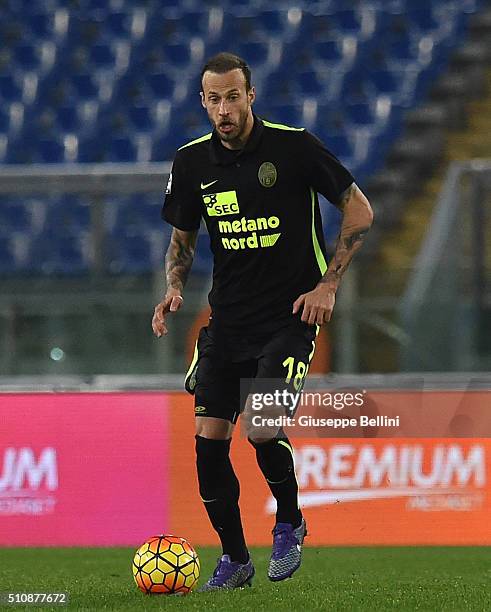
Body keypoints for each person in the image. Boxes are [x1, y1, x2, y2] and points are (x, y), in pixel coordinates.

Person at [152, 52, 373, 591]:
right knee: (208, 440)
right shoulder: (191, 163)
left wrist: (328, 286)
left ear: (251, 96)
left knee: (263, 425)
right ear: (202, 102)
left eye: (233, 96)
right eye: (213, 99)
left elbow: (360, 210)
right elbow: (182, 239)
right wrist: (174, 287)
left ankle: (291, 522)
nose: (223, 109)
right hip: (227, 323)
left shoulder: (293, 147)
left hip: (289, 319)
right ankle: (235, 560)